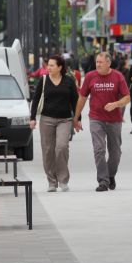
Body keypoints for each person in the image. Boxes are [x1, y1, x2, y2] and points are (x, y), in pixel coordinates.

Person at [73, 52, 130, 192]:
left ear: (108, 63)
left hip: (114, 120)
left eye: (101, 62)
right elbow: (82, 97)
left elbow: (127, 97)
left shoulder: (118, 76)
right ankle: (103, 181)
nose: (98, 64)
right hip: (96, 118)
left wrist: (116, 104)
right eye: (97, 62)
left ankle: (110, 175)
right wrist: (76, 117)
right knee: (99, 150)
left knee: (115, 152)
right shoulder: (90, 76)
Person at [30, 55, 79, 192]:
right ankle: (52, 181)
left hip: (65, 120)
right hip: (47, 119)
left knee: (62, 147)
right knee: (48, 151)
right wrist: (32, 118)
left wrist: (77, 118)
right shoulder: (44, 80)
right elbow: (36, 99)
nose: (48, 68)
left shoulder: (69, 81)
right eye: (48, 65)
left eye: (52, 65)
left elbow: (75, 101)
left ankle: (63, 180)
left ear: (60, 67)